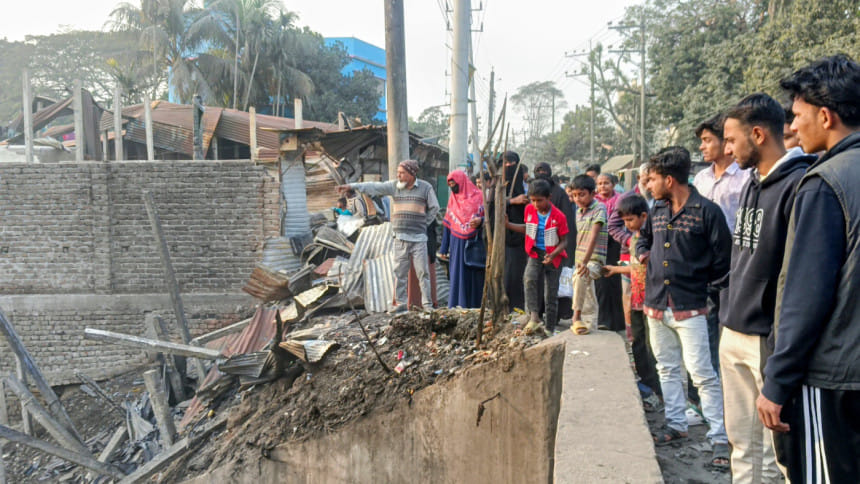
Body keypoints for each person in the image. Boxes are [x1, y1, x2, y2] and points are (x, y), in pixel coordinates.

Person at [757, 54, 860, 483]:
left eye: (797, 116)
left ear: (825, 114)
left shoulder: (824, 183)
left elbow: (806, 294)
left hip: (835, 377)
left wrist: (777, 381)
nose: (792, 127)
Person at [720, 93, 816, 483]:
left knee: (781, 455)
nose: (727, 149)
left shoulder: (800, 185)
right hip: (734, 329)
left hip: (767, 339)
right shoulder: (751, 184)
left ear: (757, 134)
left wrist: (781, 353)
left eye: (730, 140)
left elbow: (797, 281)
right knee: (742, 446)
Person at [636, 146, 731, 468]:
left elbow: (723, 262)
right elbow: (643, 240)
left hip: (690, 308)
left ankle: (720, 438)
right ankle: (676, 425)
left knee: (703, 375)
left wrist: (705, 295)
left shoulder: (707, 212)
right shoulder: (657, 210)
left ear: (669, 178)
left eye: (652, 180)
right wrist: (642, 253)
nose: (648, 186)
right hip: (655, 307)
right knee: (667, 368)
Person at [337, 160, 440, 313]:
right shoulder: (394, 186)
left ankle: (427, 305)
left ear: (412, 174)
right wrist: (353, 186)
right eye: (398, 173)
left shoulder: (425, 187)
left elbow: (435, 207)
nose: (398, 176)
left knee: (422, 273)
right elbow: (374, 186)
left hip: (419, 239)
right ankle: (400, 303)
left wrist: (423, 224)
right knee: (400, 273)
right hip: (400, 238)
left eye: (402, 173)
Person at [693, 113, 749, 380]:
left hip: (735, 262)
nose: (702, 147)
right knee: (704, 326)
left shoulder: (745, 177)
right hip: (703, 263)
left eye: (707, 140)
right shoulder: (701, 179)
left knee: (727, 324)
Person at [603, 194, 662, 409]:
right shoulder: (634, 239)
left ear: (644, 216)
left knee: (651, 345)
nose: (626, 225)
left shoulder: (651, 239)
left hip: (650, 299)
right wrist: (616, 269)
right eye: (624, 221)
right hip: (636, 298)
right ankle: (646, 383)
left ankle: (657, 388)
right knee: (637, 342)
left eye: (630, 220)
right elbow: (636, 267)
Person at [506, 179, 569, 334]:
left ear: (549, 198)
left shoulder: (558, 216)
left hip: (554, 255)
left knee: (550, 293)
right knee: (529, 279)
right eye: (533, 200)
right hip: (535, 252)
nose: (536, 204)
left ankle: (550, 328)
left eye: (540, 201)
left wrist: (553, 254)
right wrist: (508, 225)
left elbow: (564, 241)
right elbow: (528, 228)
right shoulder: (529, 210)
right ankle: (533, 316)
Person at [533, 162, 577, 321]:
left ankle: (555, 317)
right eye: (538, 170)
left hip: (556, 245)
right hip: (537, 245)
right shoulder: (533, 192)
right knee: (536, 282)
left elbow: (567, 222)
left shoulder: (559, 193)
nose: (542, 172)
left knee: (554, 283)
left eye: (545, 170)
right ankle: (536, 314)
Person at [439, 170, 485, 308]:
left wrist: (480, 221)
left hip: (474, 243)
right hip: (456, 243)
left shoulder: (480, 197)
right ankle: (457, 305)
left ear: (462, 182)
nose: (453, 187)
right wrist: (443, 248)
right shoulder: (452, 200)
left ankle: (474, 306)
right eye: (450, 184)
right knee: (456, 276)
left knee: (473, 276)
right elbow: (448, 225)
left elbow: (489, 218)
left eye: (454, 183)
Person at [568, 174, 607, 335]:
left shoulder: (599, 208)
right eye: (575, 195)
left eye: (581, 194)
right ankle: (590, 327)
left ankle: (575, 316)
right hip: (580, 259)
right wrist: (580, 260)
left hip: (594, 260)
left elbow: (593, 236)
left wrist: (584, 262)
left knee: (580, 276)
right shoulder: (578, 211)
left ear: (592, 193)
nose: (577, 198)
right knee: (588, 294)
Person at [594, 173, 625, 331]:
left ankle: (619, 321)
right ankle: (604, 319)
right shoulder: (594, 201)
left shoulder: (620, 200)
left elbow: (617, 220)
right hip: (598, 242)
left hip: (615, 243)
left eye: (606, 183)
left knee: (615, 281)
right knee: (601, 282)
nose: (603, 187)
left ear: (613, 184)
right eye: (600, 184)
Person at [501, 151, 529, 311]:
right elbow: (492, 207)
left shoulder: (524, 186)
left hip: (520, 237)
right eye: (505, 162)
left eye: (512, 162)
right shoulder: (496, 186)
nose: (509, 165)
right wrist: (511, 201)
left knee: (518, 274)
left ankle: (518, 308)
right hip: (501, 238)